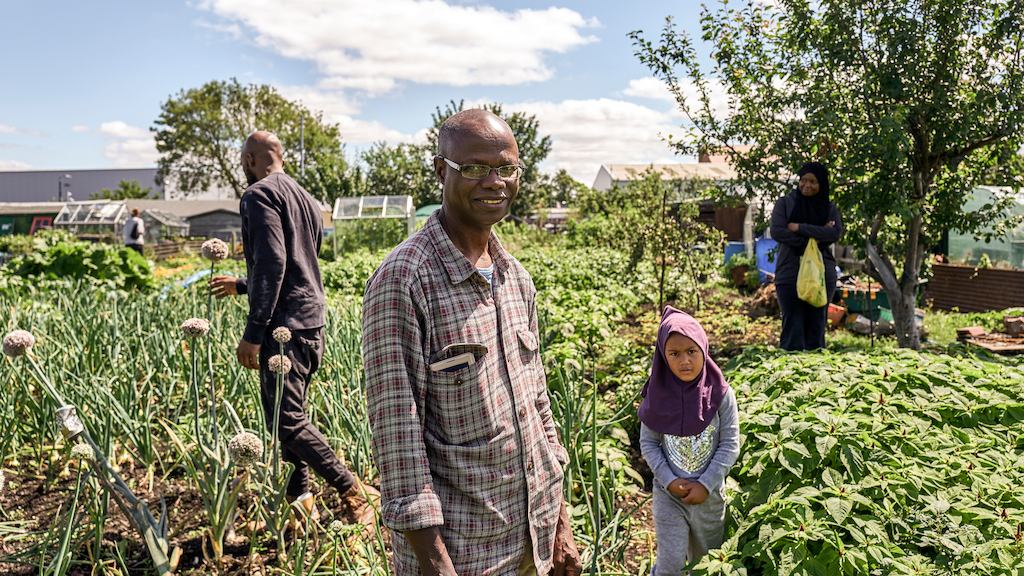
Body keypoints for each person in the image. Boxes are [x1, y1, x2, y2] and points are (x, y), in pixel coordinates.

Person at [362, 109, 581, 576]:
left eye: (506, 168)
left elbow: (537, 408)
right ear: (441, 170)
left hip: (534, 541)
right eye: (475, 168)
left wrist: (560, 524)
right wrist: (436, 563)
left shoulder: (515, 278)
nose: (495, 182)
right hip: (463, 554)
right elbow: (398, 438)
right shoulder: (405, 280)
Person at [209, 130, 376, 528]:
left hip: (283, 325)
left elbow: (273, 263)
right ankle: (301, 505)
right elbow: (299, 262)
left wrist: (254, 332)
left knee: (286, 421)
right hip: (310, 318)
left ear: (250, 160)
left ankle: (353, 489)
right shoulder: (307, 199)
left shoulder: (258, 195)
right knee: (287, 418)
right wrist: (243, 285)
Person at [639, 306, 740, 576]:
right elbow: (649, 443)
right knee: (670, 563)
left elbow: (730, 443)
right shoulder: (657, 396)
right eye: (674, 354)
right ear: (663, 356)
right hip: (669, 496)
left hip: (710, 498)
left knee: (706, 563)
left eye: (691, 351)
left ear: (703, 349)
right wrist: (669, 480)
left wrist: (706, 484)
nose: (684, 361)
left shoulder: (720, 394)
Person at [769, 162, 844, 351]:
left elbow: (834, 233)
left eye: (813, 181)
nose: (807, 185)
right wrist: (815, 237)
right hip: (790, 273)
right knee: (792, 329)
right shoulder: (785, 204)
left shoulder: (828, 208)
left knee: (816, 330)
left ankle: (816, 369)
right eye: (803, 180)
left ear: (822, 184)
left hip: (821, 275)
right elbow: (778, 231)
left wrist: (799, 227)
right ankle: (790, 368)